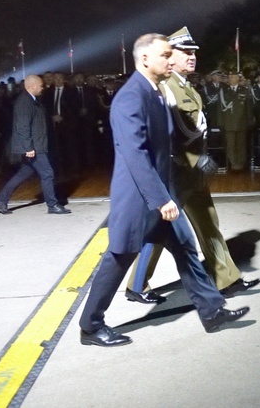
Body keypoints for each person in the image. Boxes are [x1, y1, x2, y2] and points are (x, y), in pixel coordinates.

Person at [78, 34, 249, 347]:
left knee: (185, 248)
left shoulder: (155, 91)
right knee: (118, 257)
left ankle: (212, 311)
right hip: (139, 197)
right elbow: (135, 153)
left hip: (161, 192)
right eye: (166, 55)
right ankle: (90, 326)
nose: (172, 60)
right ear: (145, 59)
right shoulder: (132, 96)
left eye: (173, 55)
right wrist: (160, 199)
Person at [125, 27, 260, 304]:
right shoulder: (165, 88)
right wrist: (194, 158)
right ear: (169, 56)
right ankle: (136, 286)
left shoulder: (185, 85)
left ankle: (228, 280)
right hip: (175, 173)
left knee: (209, 224)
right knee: (160, 230)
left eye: (194, 53)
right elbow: (163, 137)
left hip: (194, 172)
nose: (192, 57)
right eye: (185, 52)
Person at [0, 75, 71, 215]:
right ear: (32, 86)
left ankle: (1, 199)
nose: (43, 87)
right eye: (41, 85)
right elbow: (22, 126)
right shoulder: (24, 102)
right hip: (33, 147)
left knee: (25, 172)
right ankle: (52, 205)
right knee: (47, 173)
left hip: (35, 144)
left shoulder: (32, 100)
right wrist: (28, 147)